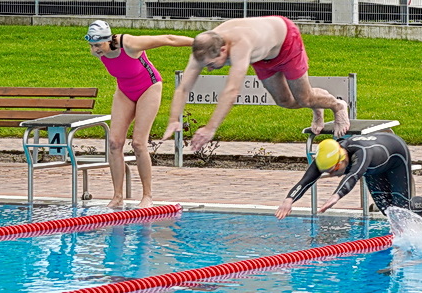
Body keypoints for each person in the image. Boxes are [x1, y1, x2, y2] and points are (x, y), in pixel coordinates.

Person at [161, 15, 348, 150]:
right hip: (262, 57)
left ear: (224, 50)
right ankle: (317, 104)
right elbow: (183, 87)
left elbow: (232, 91)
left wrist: (210, 129)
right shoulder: (202, 48)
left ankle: (337, 105)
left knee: (305, 98)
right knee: (284, 101)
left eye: (211, 65)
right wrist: (172, 119)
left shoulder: (241, 44)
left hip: (286, 43)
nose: (208, 69)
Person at [85, 20, 193, 208]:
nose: (95, 50)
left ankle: (147, 196)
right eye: (92, 45)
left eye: (98, 44)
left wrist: (199, 42)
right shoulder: (97, 51)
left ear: (108, 39)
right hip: (124, 90)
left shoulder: (129, 43)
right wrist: (96, 48)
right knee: (114, 143)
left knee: (138, 142)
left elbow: (168, 39)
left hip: (148, 87)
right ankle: (118, 196)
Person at [277, 130, 422, 219]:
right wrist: (289, 199)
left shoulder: (361, 153)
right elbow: (305, 181)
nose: (334, 174)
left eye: (334, 171)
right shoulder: (328, 157)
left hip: (396, 156)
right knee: (388, 211)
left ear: (342, 158)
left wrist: (336, 196)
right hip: (374, 169)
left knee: (401, 210)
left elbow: (353, 175)